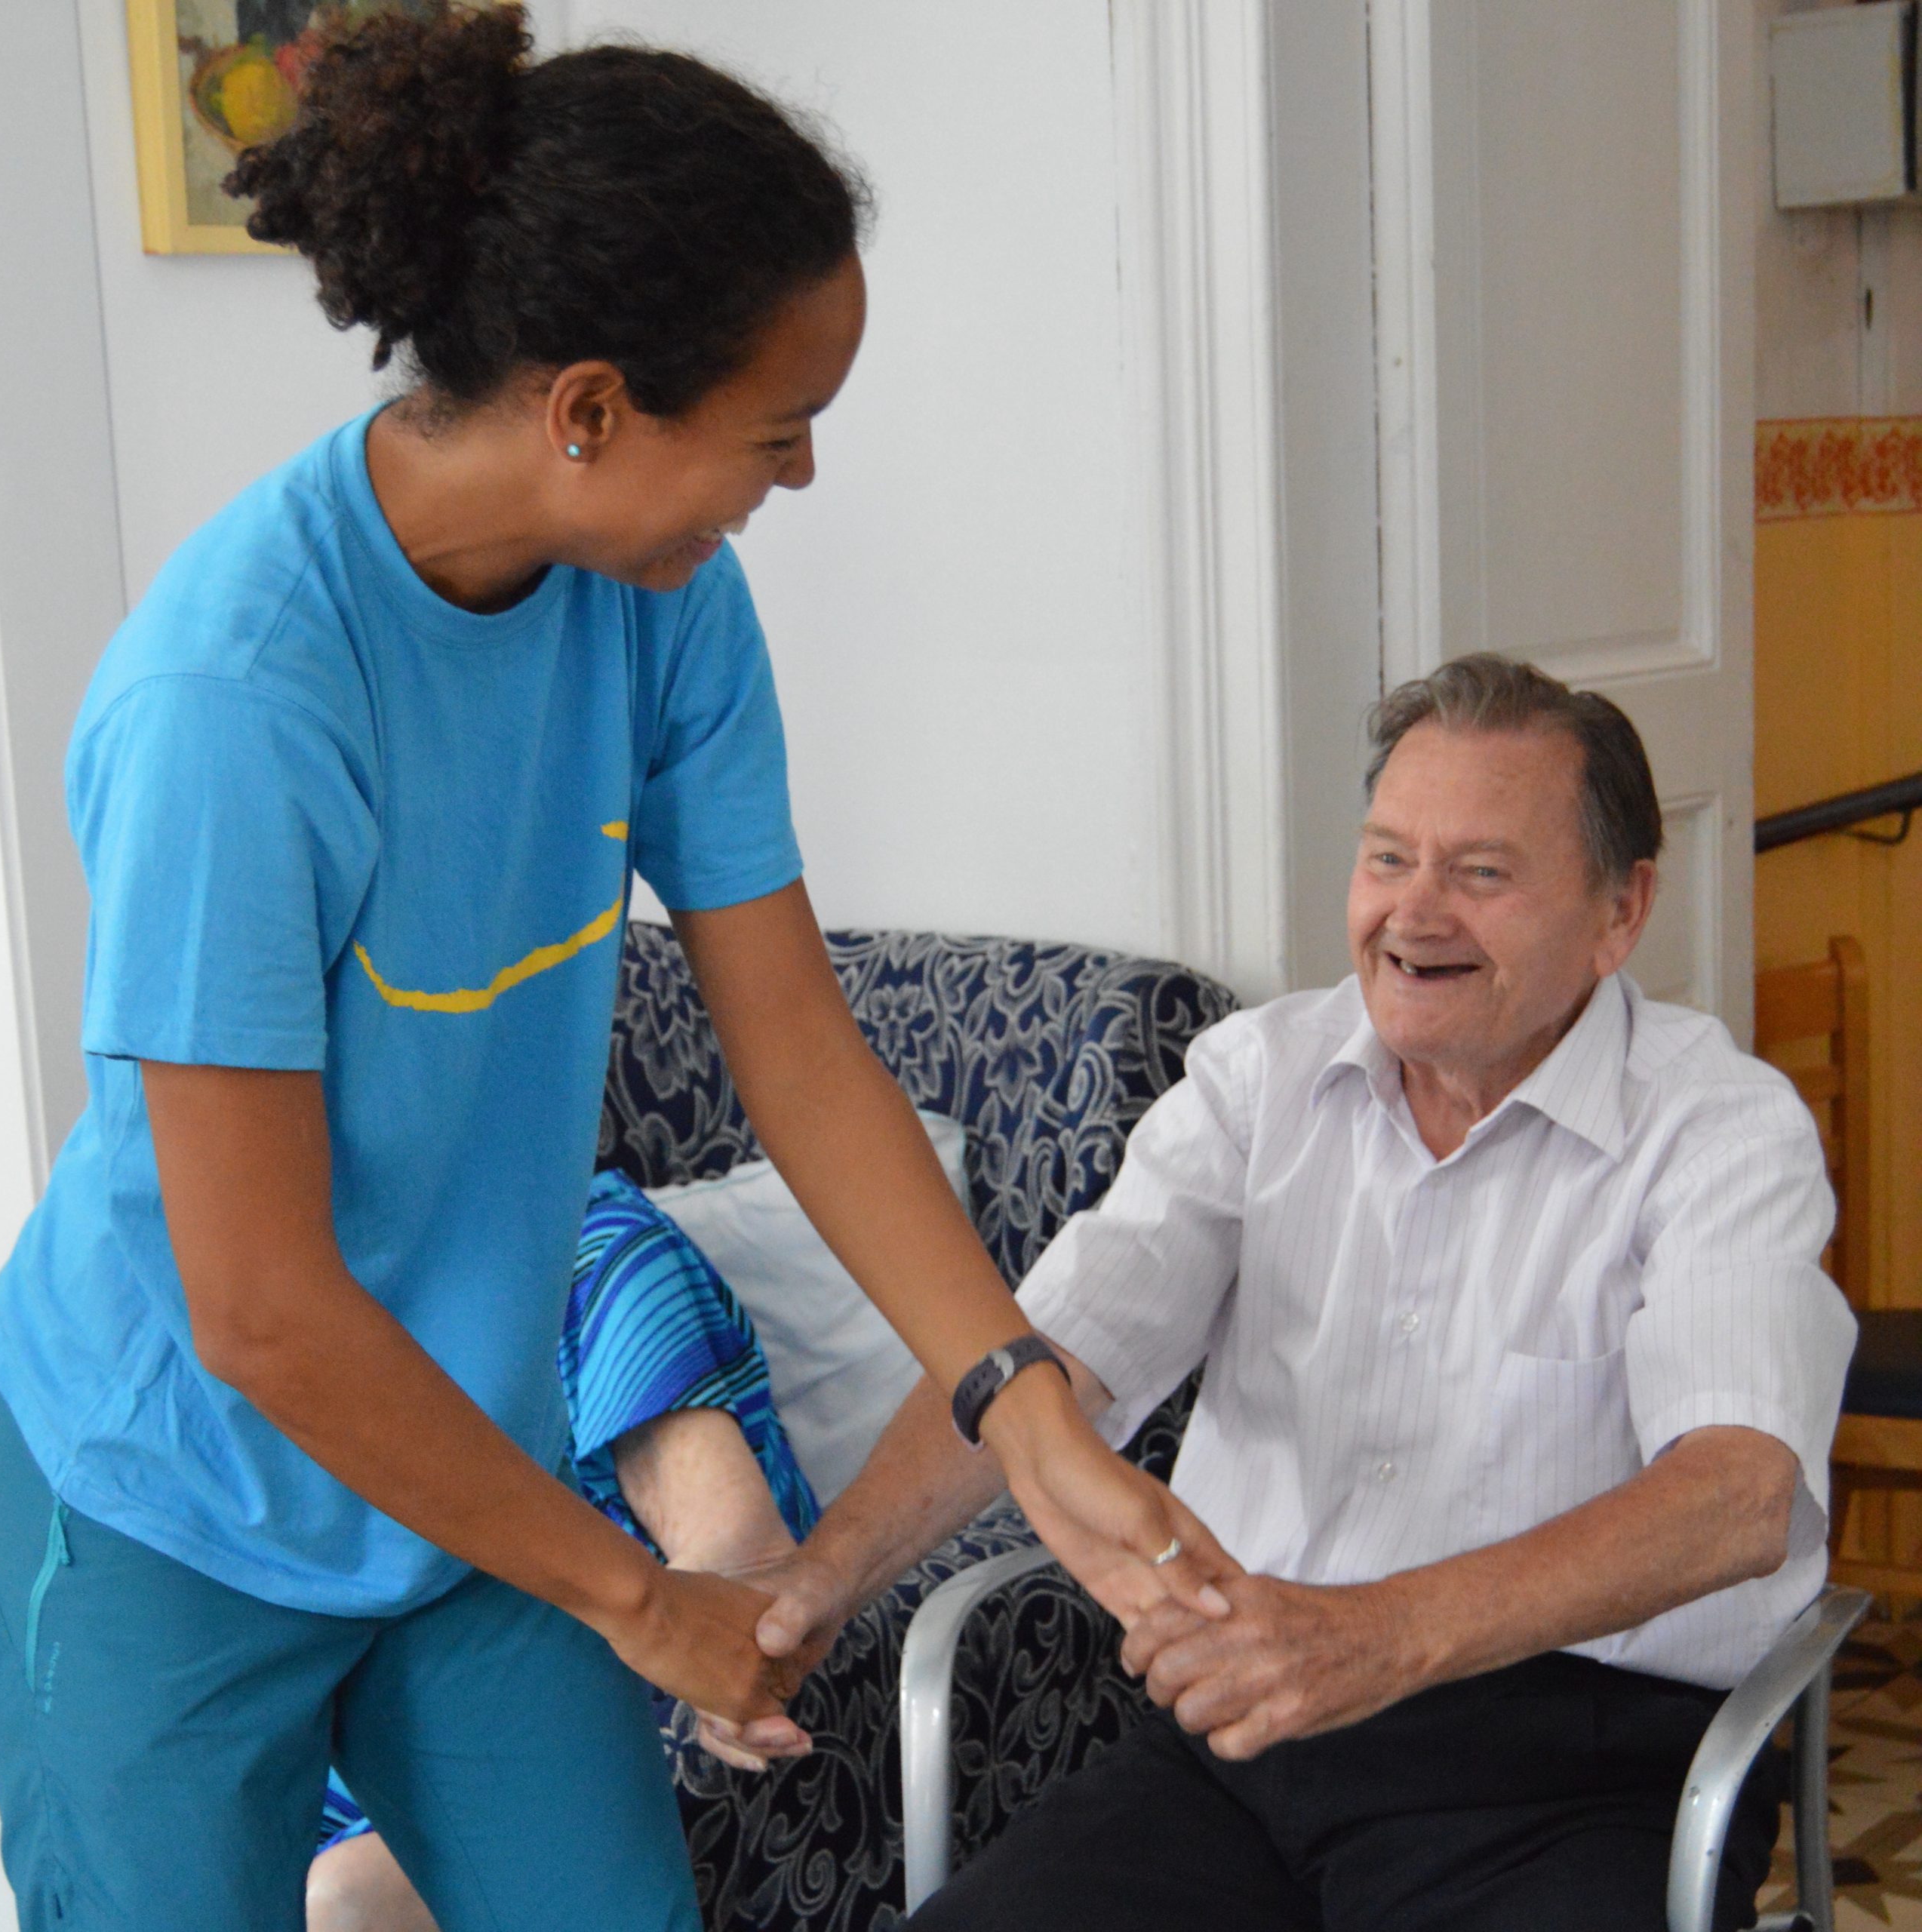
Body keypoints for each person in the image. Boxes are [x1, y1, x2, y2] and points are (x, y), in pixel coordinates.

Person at [0, 10, 1230, 1929]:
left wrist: (1015, 1393)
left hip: (461, 1474)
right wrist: (640, 1591)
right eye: (773, 426)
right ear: (586, 411)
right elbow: (257, 1305)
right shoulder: (236, 702)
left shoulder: (664, 608)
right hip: (180, 1496)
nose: (800, 473)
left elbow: (795, 1039)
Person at [723, 654, 1859, 1932]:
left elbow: (1734, 1501)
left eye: (1481, 873)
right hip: (1240, 1754)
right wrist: (821, 1576)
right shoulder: (1257, 1079)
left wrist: (1372, 1638)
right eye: (1387, 859)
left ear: (1619, 910)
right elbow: (1044, 1364)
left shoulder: (1718, 1130)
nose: (1412, 913)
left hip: (1573, 1769)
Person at [309, 1170, 818, 1932]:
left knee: (342, 1901)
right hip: (356, 1734)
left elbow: (735, 1545)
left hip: (559, 1721)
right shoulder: (301, 1309)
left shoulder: (594, 1248)